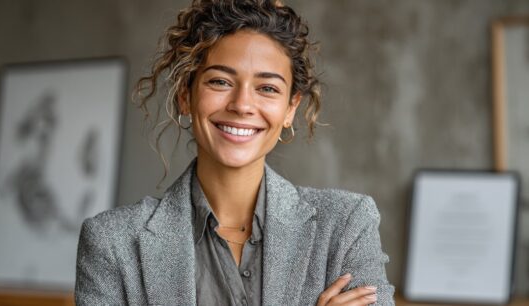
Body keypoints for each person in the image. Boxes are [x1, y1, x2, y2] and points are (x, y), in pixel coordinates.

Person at [75, 0, 395, 305]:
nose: (242, 105)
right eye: (220, 81)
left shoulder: (346, 226)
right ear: (186, 96)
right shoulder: (112, 243)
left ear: (290, 108)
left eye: (267, 88)